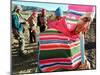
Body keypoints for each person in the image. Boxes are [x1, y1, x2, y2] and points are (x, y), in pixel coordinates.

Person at [38, 6, 95, 72]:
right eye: (85, 19)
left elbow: (79, 55)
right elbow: (44, 68)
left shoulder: (79, 35)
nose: (87, 27)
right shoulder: (48, 36)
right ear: (74, 16)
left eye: (90, 21)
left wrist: (85, 62)